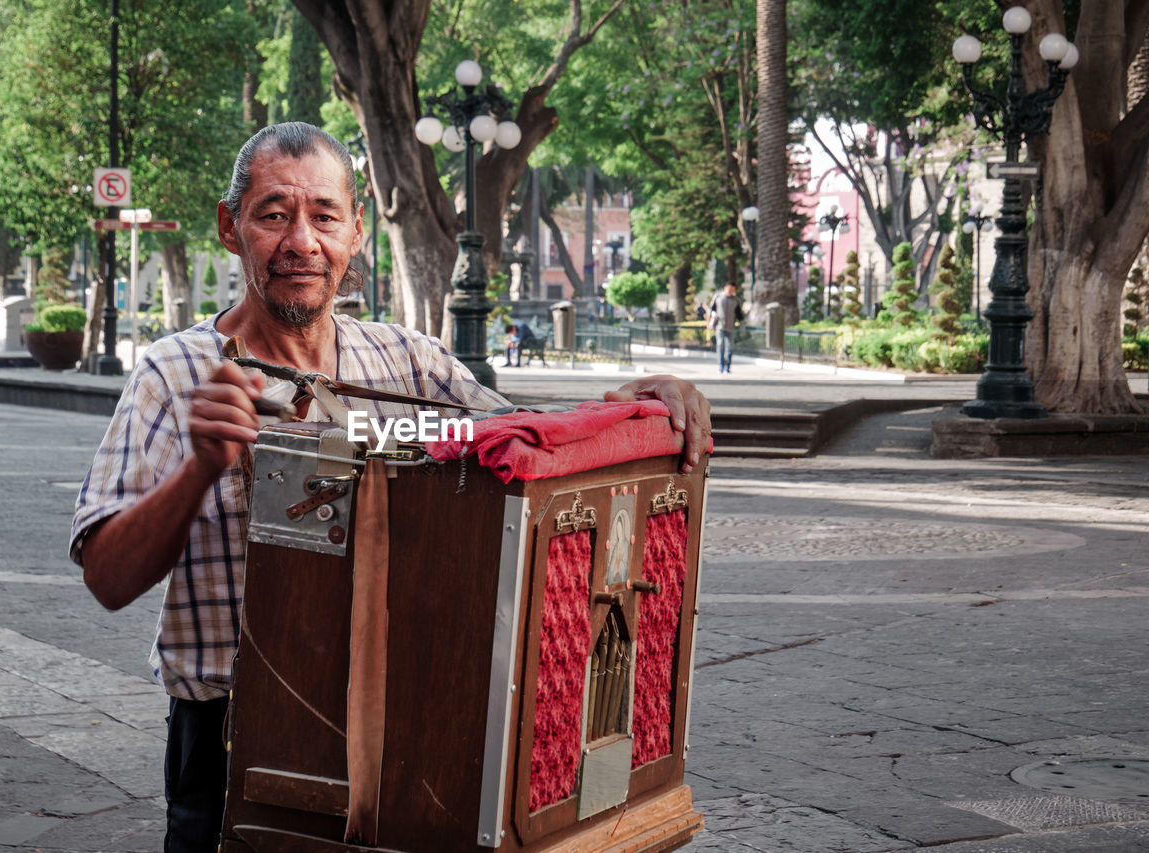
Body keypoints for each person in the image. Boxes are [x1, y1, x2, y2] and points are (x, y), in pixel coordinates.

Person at [70, 122, 710, 852]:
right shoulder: (172, 374)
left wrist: (640, 399)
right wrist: (197, 469)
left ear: (356, 231)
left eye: (324, 215)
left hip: (413, 732)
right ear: (230, 226)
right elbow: (106, 578)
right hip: (228, 747)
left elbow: (529, 453)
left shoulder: (408, 363)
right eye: (273, 214)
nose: (301, 241)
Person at [707, 283, 743, 373]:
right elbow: (711, 310)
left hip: (731, 327)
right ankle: (721, 364)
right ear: (725, 288)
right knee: (720, 344)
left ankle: (728, 365)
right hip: (720, 326)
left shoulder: (736, 300)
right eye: (730, 289)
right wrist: (710, 322)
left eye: (733, 290)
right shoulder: (718, 297)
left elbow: (740, 315)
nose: (731, 292)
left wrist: (742, 326)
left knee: (730, 347)